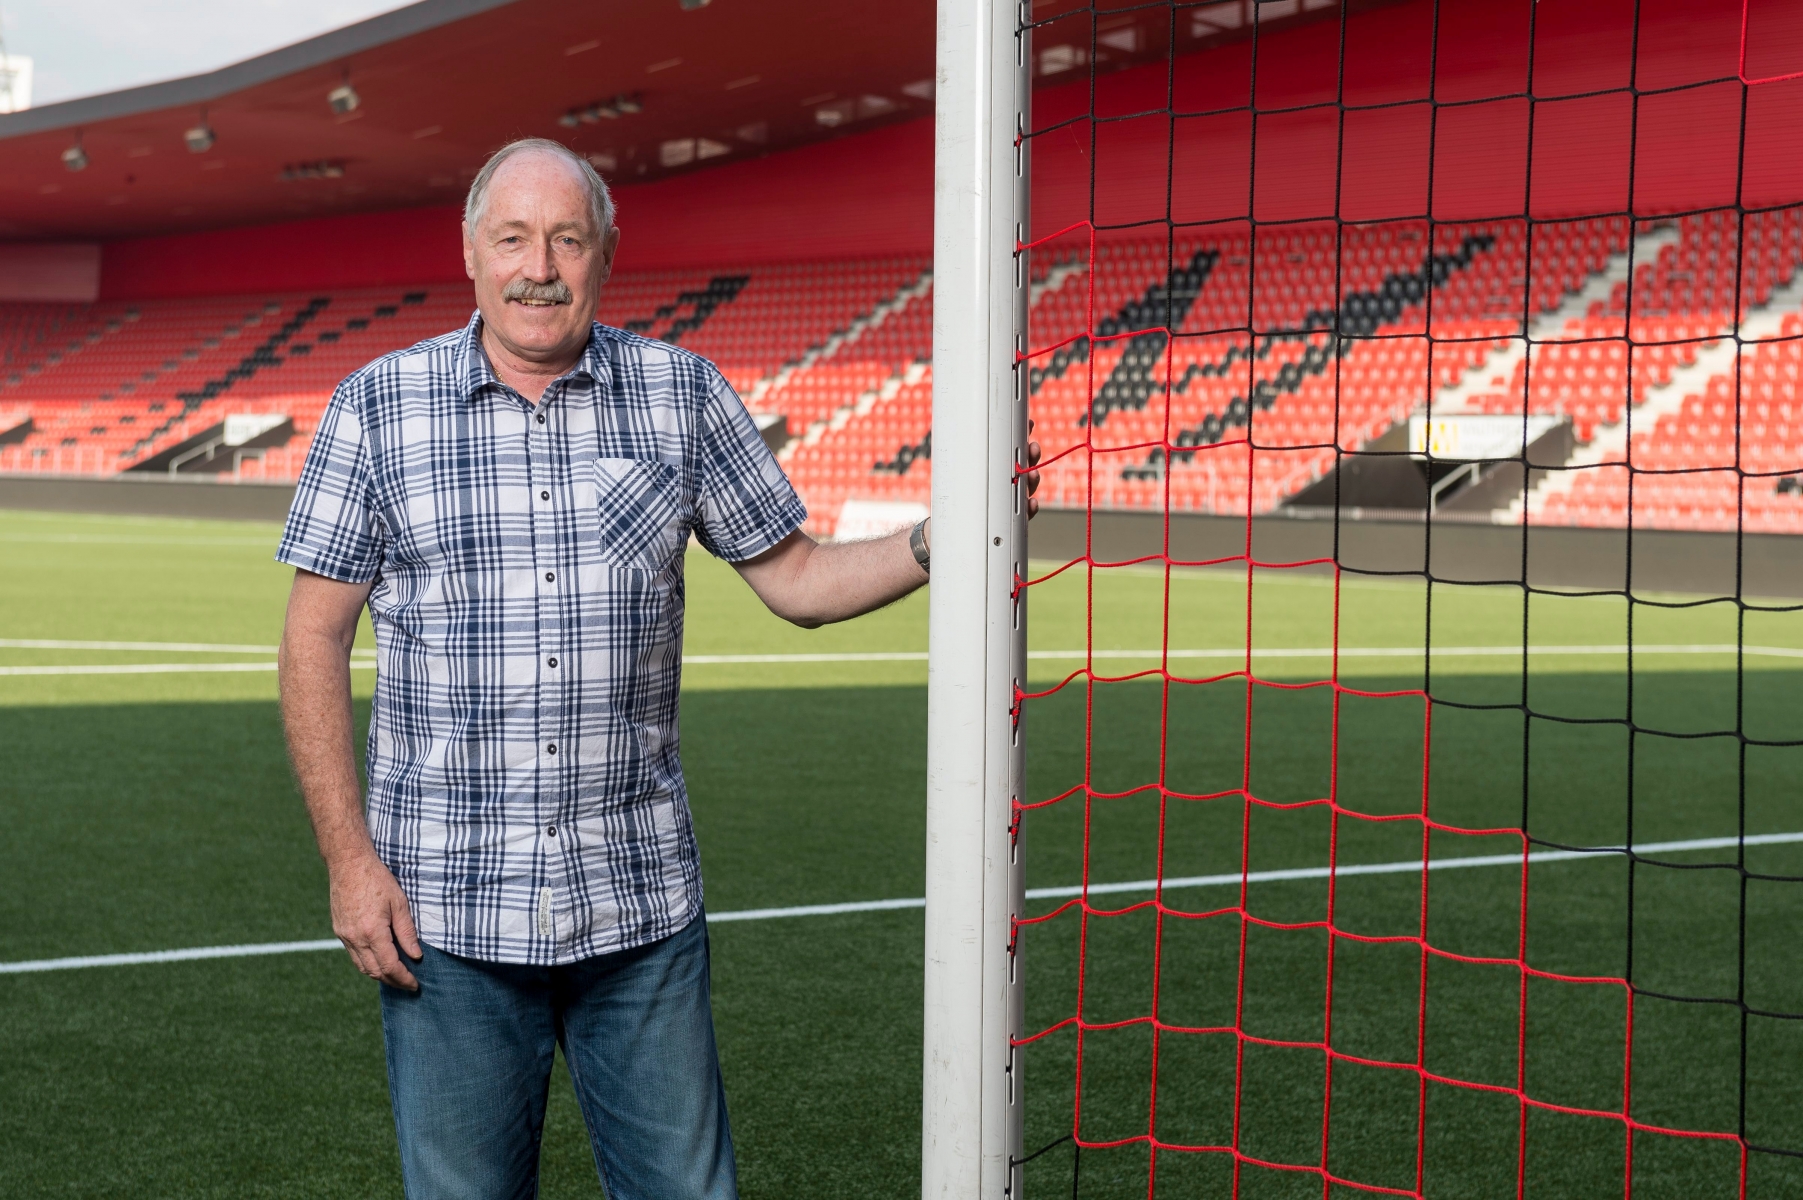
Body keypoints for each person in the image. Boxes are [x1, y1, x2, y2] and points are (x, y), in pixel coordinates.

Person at [276, 137, 1038, 1199]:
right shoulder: (376, 406)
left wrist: (946, 538)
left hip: (637, 912)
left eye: (566, 238)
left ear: (604, 253)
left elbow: (800, 579)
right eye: (512, 238)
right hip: (445, 914)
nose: (538, 264)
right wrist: (350, 862)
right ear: (471, 255)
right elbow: (313, 637)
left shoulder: (682, 394)